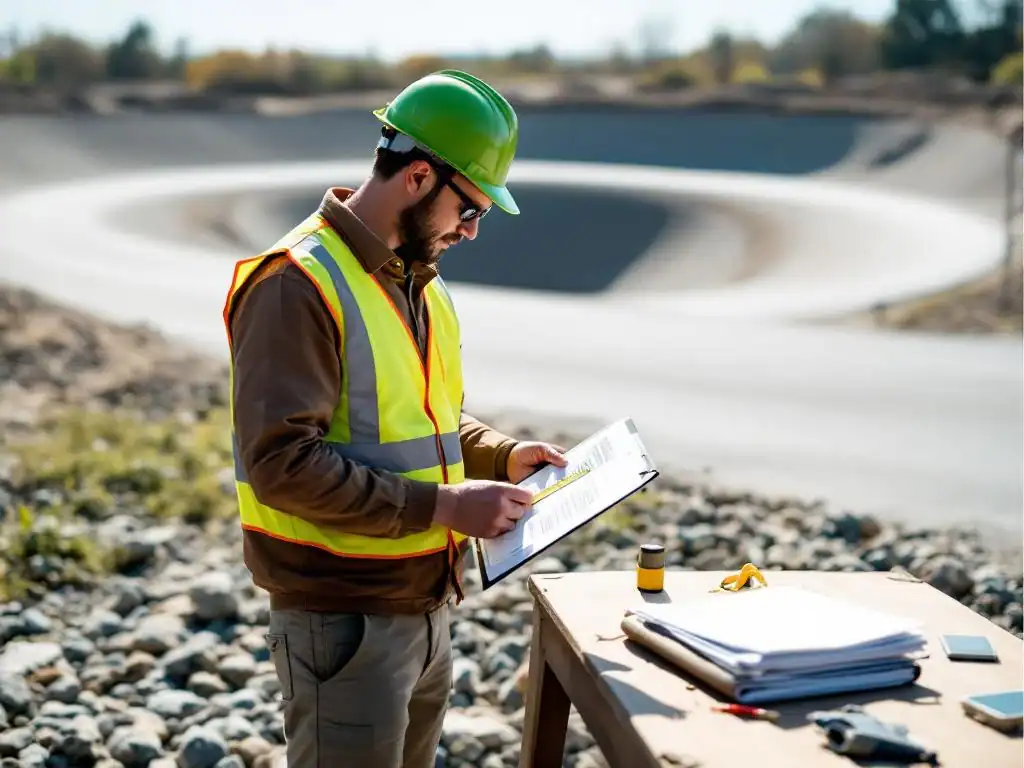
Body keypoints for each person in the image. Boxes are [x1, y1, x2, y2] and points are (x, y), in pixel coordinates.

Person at [221, 69, 568, 768]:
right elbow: (282, 465)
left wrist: (501, 455)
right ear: (417, 178)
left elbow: (424, 420)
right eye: (469, 208)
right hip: (344, 621)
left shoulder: (416, 280)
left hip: (424, 606)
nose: (470, 231)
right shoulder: (297, 284)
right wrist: (443, 504)